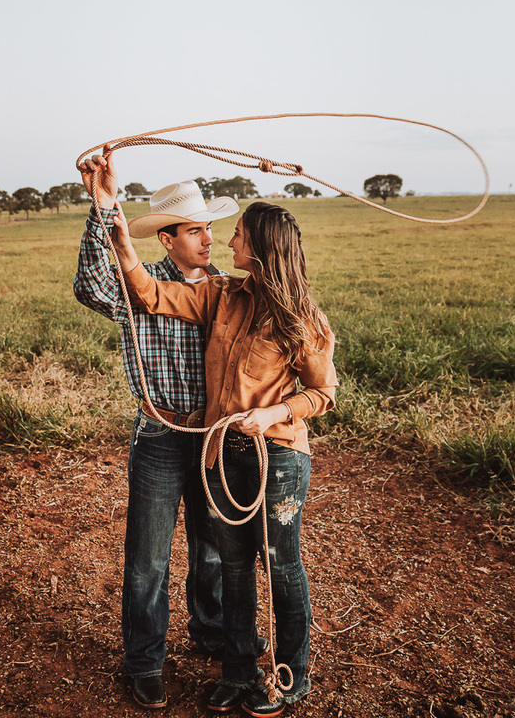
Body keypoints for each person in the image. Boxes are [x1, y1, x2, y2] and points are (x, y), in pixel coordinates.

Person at [107, 190, 338, 718]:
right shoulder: (221, 295)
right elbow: (149, 293)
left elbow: (323, 395)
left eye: (237, 234)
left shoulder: (303, 318)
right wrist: (123, 244)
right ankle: (238, 670)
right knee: (232, 566)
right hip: (224, 454)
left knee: (280, 564)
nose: (225, 239)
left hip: (275, 458)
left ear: (259, 247)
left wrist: (274, 414)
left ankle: (290, 675)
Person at [74, 151, 240, 709]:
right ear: (166, 240)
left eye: (210, 229)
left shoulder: (227, 290)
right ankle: (144, 660)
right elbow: (90, 285)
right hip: (162, 436)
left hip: (215, 436)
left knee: (212, 547)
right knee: (148, 557)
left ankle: (211, 633)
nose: (208, 240)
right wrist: (103, 205)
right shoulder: (136, 284)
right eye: (194, 230)